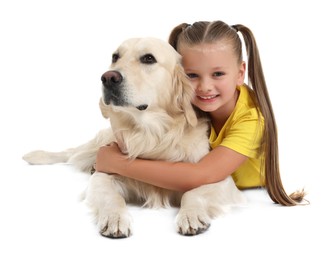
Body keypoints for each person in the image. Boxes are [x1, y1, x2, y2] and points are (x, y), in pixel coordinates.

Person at [95, 20, 306, 206]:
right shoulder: (189, 99)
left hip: (237, 186)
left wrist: (117, 164)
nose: (205, 86)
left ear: (240, 73)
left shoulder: (251, 120)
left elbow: (201, 175)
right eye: (193, 75)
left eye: (218, 74)